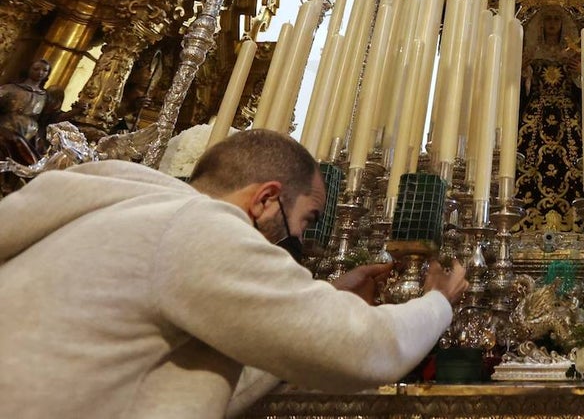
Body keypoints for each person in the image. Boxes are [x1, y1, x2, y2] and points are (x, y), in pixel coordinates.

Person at [0, 128, 468, 419]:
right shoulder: (195, 228)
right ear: (266, 199)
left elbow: (203, 376)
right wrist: (437, 302)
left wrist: (326, 291)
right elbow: (362, 348)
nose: (300, 241)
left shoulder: (129, 213)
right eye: (305, 219)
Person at [516, 5, 583, 232]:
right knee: (530, 164)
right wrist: (521, 70)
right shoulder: (532, 53)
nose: (553, 23)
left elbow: (581, 89)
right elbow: (522, 91)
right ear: (541, 24)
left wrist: (581, 72)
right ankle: (530, 221)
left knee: (574, 165)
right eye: (548, 19)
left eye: (557, 19)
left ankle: (573, 222)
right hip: (535, 118)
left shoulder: (572, 54)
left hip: (568, 119)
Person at [0, 58, 58, 166]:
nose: (40, 73)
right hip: (7, 128)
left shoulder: (45, 97)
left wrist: (76, 111)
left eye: (44, 70)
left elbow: (53, 118)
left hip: (30, 136)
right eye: (36, 69)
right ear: (28, 69)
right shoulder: (11, 88)